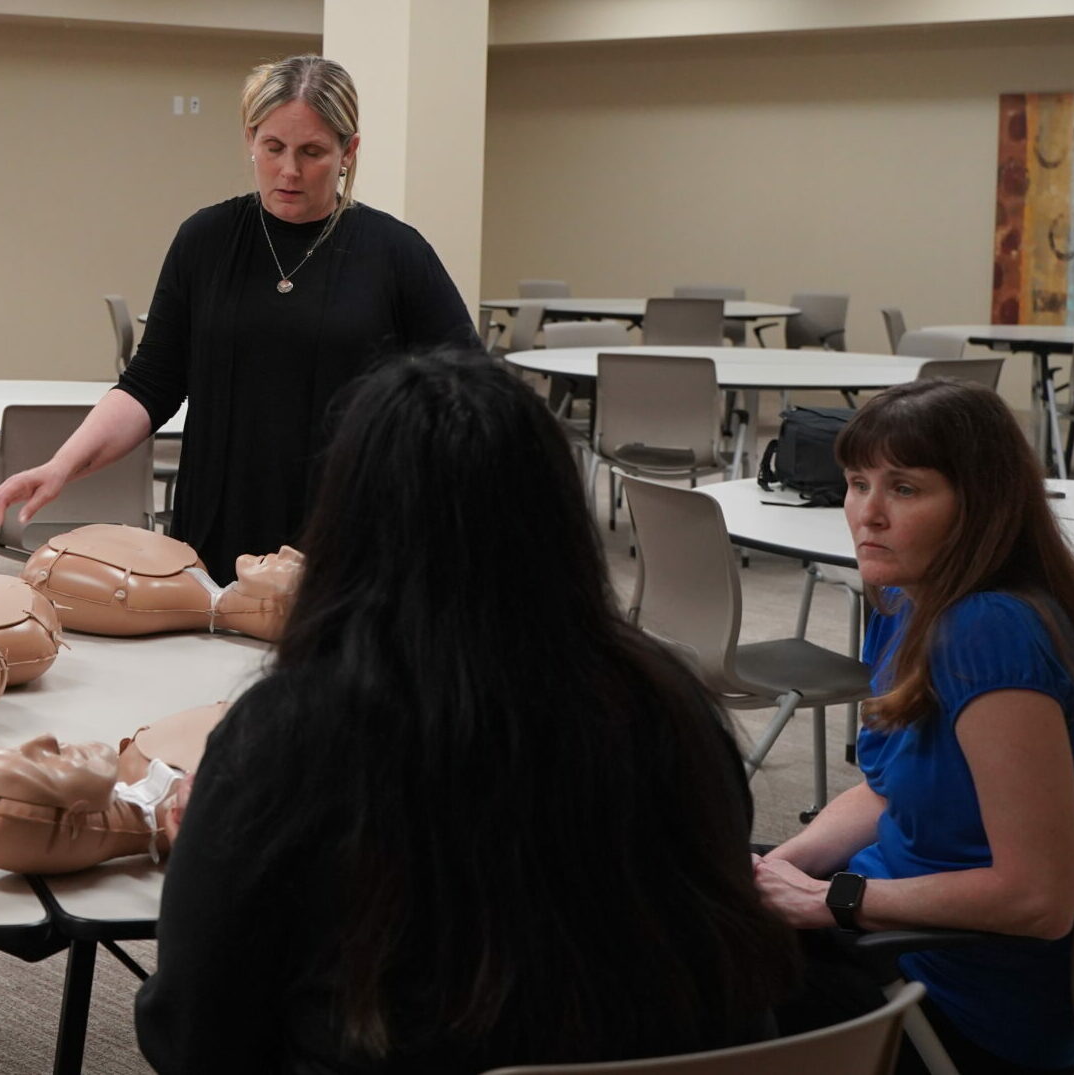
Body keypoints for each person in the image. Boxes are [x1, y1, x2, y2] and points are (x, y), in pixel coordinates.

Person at [135, 349, 795, 1073]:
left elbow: (192, 1036)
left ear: (345, 518)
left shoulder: (291, 731)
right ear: (557, 517)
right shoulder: (667, 700)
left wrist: (216, 838)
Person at [0, 55, 478, 581]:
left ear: (348, 151)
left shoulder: (395, 253)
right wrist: (61, 466)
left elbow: (466, 388)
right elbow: (151, 384)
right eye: (273, 148)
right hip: (220, 522)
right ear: (250, 138)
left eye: (312, 152)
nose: (289, 170)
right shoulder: (206, 240)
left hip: (350, 529)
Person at [756, 379, 1074, 1075]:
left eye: (902, 488)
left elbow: (1038, 899)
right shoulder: (906, 598)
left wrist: (833, 899)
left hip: (948, 1001)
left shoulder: (987, 631)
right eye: (856, 483)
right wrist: (787, 867)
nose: (866, 514)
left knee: (653, 984)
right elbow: (886, 789)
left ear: (978, 505)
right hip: (890, 929)